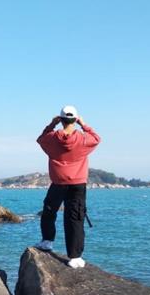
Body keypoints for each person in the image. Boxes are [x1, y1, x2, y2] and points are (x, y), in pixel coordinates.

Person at [35, 105, 101, 268]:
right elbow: (96, 138)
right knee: (75, 217)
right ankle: (75, 256)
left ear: (61, 120)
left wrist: (52, 124)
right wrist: (83, 124)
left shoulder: (52, 138)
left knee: (49, 211)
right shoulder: (83, 139)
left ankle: (47, 241)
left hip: (58, 182)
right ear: (75, 119)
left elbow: (40, 139)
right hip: (78, 183)